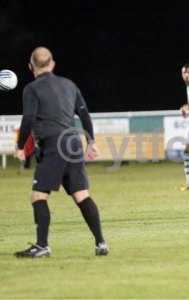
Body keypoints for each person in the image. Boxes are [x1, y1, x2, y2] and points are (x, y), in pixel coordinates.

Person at [14, 47, 108, 258]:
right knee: (82, 195)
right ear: (52, 64)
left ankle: (42, 245)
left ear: (31, 67)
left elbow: (28, 119)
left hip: (53, 144)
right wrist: (91, 141)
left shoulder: (31, 88)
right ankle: (101, 243)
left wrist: (21, 147)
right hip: (73, 142)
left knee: (38, 195)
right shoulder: (69, 85)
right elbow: (84, 113)